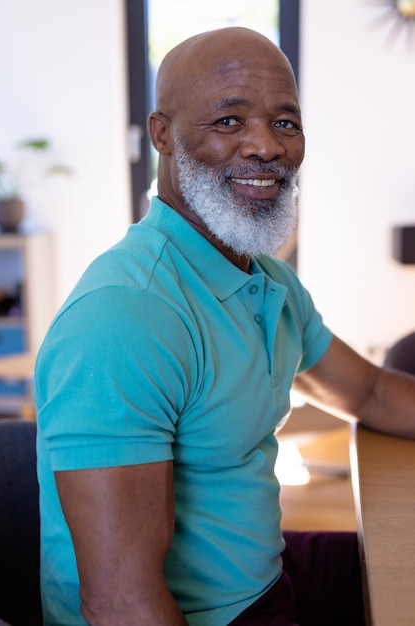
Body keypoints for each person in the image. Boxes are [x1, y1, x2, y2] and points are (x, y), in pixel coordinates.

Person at [35, 27, 415, 626]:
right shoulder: (126, 316)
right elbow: (121, 604)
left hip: (263, 572)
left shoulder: (266, 280)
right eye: (229, 121)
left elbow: (368, 391)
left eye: (284, 123)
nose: (266, 146)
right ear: (162, 135)